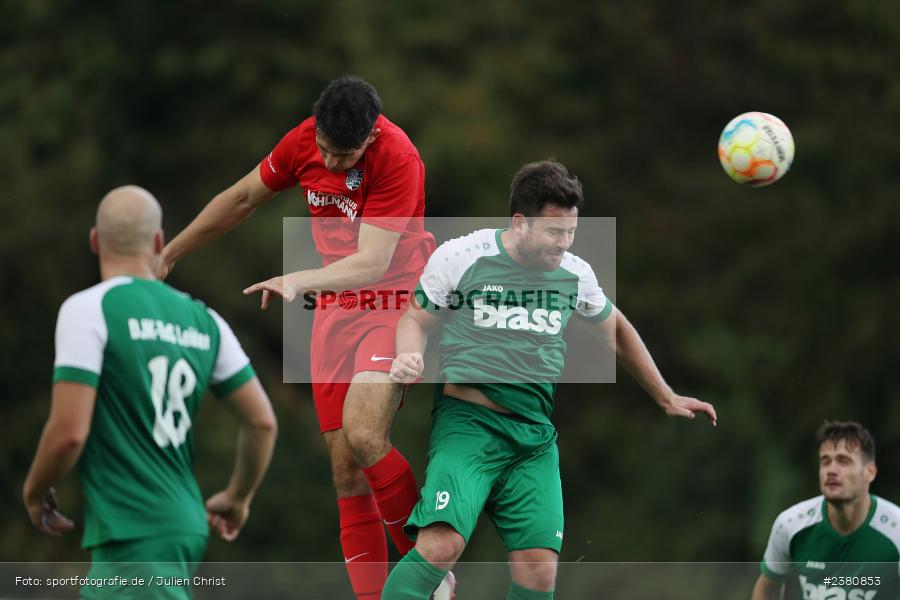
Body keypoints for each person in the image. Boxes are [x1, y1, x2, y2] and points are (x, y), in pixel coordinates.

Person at [383, 160, 717, 599]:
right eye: (554, 233)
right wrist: (409, 353)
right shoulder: (462, 257)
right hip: (468, 427)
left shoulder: (574, 275)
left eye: (571, 233)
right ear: (520, 223)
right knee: (442, 545)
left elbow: (615, 330)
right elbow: (416, 319)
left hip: (533, 440)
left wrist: (665, 395)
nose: (564, 243)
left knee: (539, 572)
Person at [157, 76, 436, 599]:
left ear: (371, 138)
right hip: (334, 305)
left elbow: (374, 264)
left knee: (364, 434)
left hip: (392, 299)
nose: (331, 166)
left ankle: (429, 573)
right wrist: (171, 253)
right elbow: (241, 198)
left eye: (345, 157)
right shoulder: (303, 140)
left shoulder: (398, 155)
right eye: (326, 152)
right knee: (345, 473)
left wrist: (298, 280)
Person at [23, 186, 277, 599]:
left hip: (135, 528)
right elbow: (262, 422)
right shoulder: (205, 319)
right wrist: (237, 496)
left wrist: (34, 491)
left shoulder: (89, 309)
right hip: (180, 524)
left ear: (95, 240)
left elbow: (69, 433)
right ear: (159, 242)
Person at [752, 421, 900, 600]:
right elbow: (767, 590)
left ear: (870, 472)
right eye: (825, 461)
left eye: (843, 461)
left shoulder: (896, 530)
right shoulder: (791, 524)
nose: (831, 470)